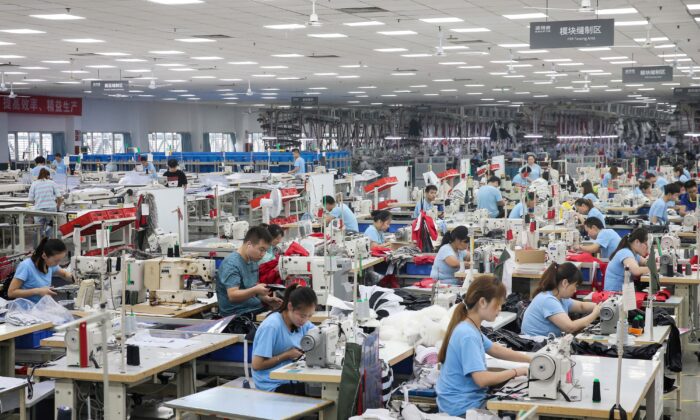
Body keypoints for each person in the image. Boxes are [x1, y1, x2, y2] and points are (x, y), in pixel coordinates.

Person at [436, 276, 531, 416]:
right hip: (461, 409)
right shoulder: (467, 334)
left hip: (462, 403)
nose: (500, 309)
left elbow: (495, 349)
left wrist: (531, 360)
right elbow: (481, 380)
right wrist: (517, 372)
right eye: (497, 304)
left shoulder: (470, 326)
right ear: (482, 302)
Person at [252, 285, 317, 395]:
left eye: (309, 316)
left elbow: (318, 332)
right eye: (302, 316)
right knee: (320, 392)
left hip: (290, 377)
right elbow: (257, 365)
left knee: (323, 388)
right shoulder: (272, 326)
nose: (305, 320)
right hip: (272, 384)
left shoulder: (301, 323)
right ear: (290, 306)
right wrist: (286, 355)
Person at [216, 226, 283, 319]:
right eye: (261, 249)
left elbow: (250, 290)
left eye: (265, 251)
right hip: (237, 316)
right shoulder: (232, 264)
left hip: (254, 310)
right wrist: (255, 290)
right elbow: (233, 295)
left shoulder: (252, 261)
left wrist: (267, 299)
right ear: (249, 244)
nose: (263, 254)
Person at [521, 262, 600, 337]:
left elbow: (581, 306)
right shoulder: (548, 300)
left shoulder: (560, 298)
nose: (575, 290)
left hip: (543, 343)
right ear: (565, 283)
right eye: (575, 286)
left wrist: (601, 306)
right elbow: (570, 327)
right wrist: (594, 314)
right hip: (534, 346)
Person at [8, 238, 73, 303]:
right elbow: (11, 293)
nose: (58, 263)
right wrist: (38, 291)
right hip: (26, 310)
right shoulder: (26, 266)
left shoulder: (50, 265)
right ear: (44, 256)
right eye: (56, 260)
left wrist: (75, 277)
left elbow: (64, 274)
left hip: (42, 308)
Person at [604, 227, 650, 292]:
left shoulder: (634, 254)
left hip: (621, 293)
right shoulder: (625, 252)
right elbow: (636, 271)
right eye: (646, 244)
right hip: (613, 295)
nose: (647, 247)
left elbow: (645, 262)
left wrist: (656, 263)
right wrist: (654, 268)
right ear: (637, 242)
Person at [28, 169, 62, 239]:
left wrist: (37, 203)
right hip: (51, 209)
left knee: (37, 229)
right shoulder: (52, 183)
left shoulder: (34, 183)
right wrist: (58, 206)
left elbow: (30, 200)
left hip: (38, 210)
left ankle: (37, 247)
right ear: (48, 176)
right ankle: (49, 246)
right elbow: (59, 197)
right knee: (51, 227)